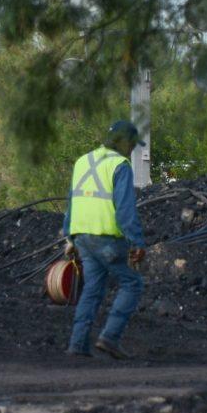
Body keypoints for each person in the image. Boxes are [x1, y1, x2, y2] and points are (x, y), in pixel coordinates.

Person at [63, 120, 146, 359]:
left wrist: (69, 236)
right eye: (131, 144)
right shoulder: (120, 164)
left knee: (92, 289)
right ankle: (109, 338)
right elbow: (125, 209)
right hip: (107, 238)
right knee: (132, 284)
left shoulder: (83, 161)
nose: (132, 149)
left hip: (83, 238)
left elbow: (72, 201)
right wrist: (137, 241)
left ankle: (77, 345)